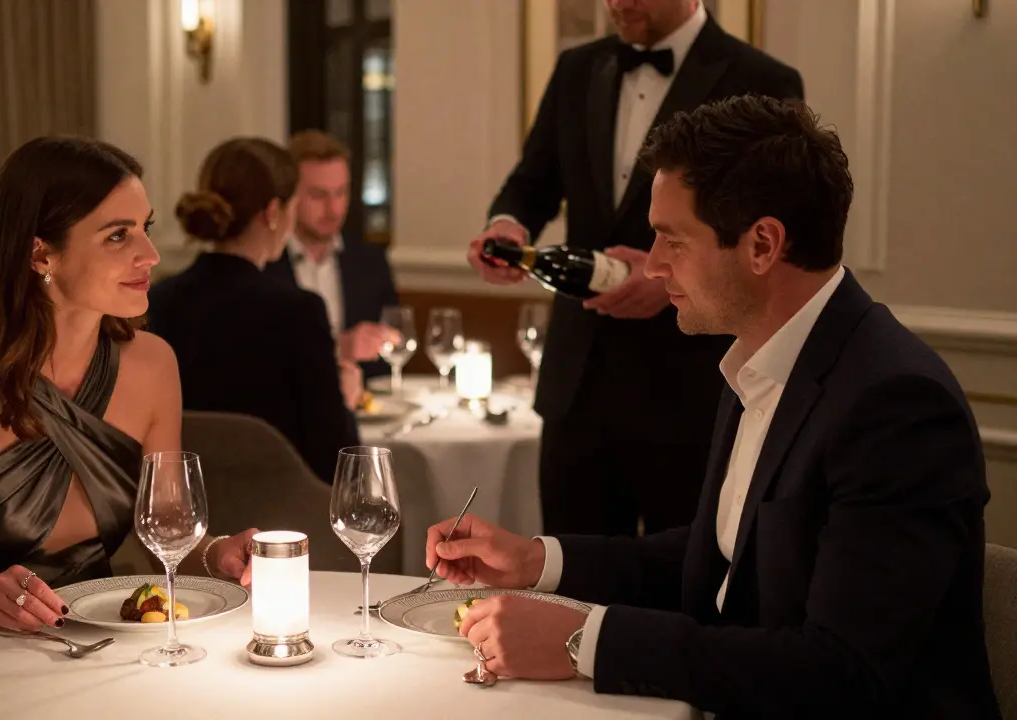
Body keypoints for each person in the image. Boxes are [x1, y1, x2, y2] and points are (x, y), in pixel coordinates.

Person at [426, 96, 1001, 719]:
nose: (653, 263)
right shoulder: (759, 359)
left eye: (673, 238)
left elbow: (842, 673)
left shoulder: (897, 406)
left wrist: (579, 641)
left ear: (762, 245)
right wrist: (537, 560)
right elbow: (720, 558)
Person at [0, 137, 260, 711]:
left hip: (96, 655)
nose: (149, 253)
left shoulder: (152, 365)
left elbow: (168, 541)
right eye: (118, 235)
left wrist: (217, 552)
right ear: (41, 254)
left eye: (144, 227)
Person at [469, 0, 804, 537]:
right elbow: (531, 184)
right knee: (570, 577)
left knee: (684, 583)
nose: (617, 4)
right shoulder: (577, 68)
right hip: (576, 383)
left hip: (688, 386)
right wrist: (508, 225)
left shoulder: (762, 79)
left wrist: (666, 272)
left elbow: (768, 229)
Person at [148, 137, 361, 483]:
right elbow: (335, 463)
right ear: (274, 212)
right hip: (285, 519)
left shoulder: (159, 301)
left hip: (187, 511)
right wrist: (346, 403)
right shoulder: (299, 312)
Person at [264, 130, 399, 380]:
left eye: (341, 193)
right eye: (318, 195)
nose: (333, 208)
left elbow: (390, 356)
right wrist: (338, 349)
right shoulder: (265, 264)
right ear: (290, 196)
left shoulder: (369, 262)